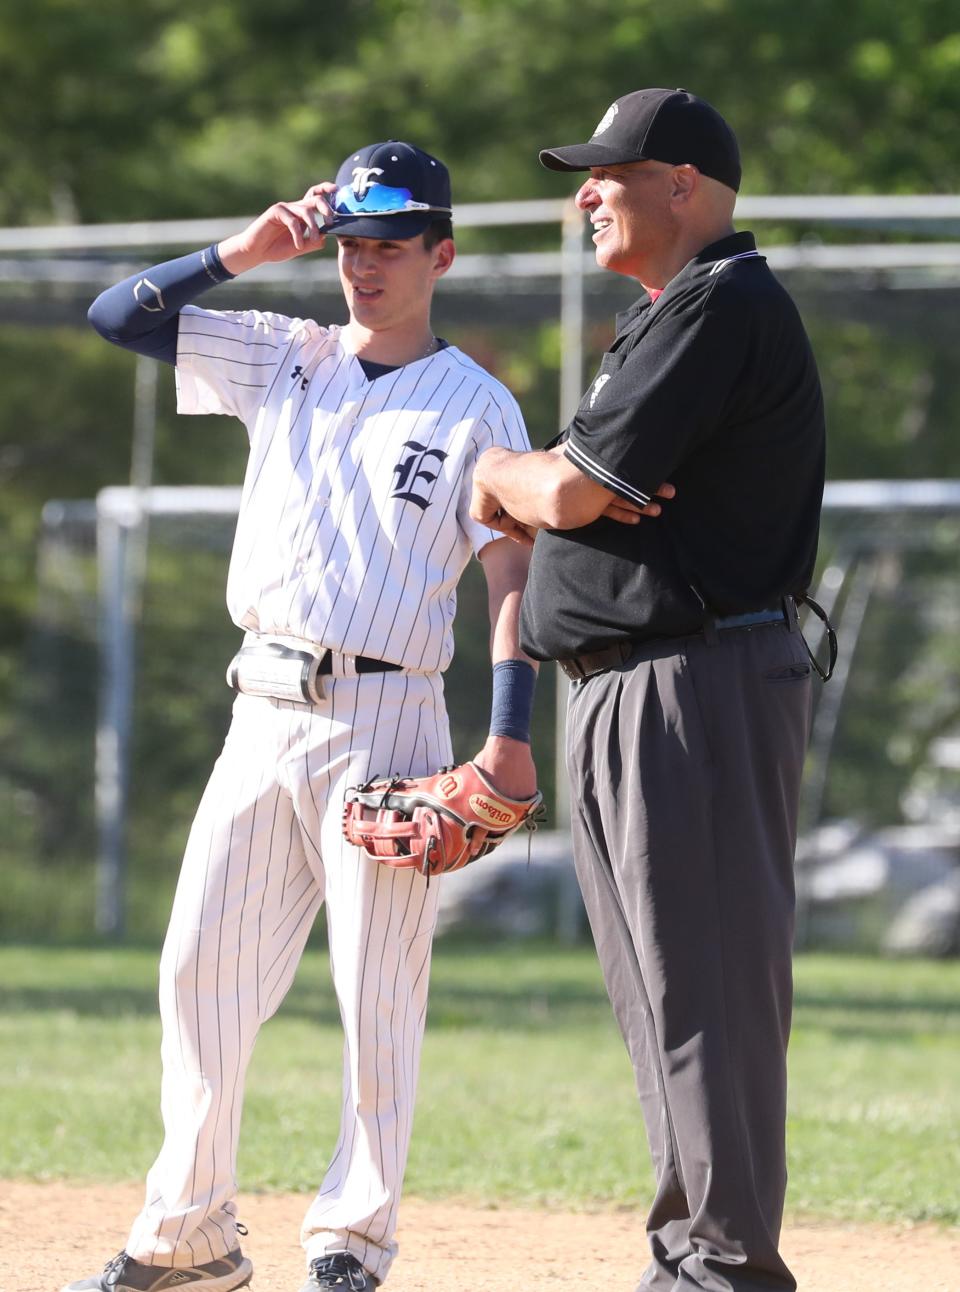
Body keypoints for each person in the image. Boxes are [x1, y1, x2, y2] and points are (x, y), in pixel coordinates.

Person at [70, 140, 538, 1292]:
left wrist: (511, 731)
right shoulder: (288, 352)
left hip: (389, 716)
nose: (363, 265)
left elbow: (511, 573)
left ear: (442, 252)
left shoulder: (478, 403)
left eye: (389, 245)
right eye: (351, 244)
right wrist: (246, 248)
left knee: (376, 990)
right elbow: (113, 318)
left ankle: (350, 1238)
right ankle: (186, 1236)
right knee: (196, 970)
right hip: (259, 709)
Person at [470, 89, 826, 1292]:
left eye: (610, 170)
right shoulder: (671, 313)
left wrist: (504, 471)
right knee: (658, 994)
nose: (586, 190)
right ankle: (689, 1257)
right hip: (637, 685)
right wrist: (546, 481)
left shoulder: (721, 303)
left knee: (705, 988)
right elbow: (571, 490)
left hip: (697, 681)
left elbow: (570, 492)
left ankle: (724, 1267)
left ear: (685, 185)